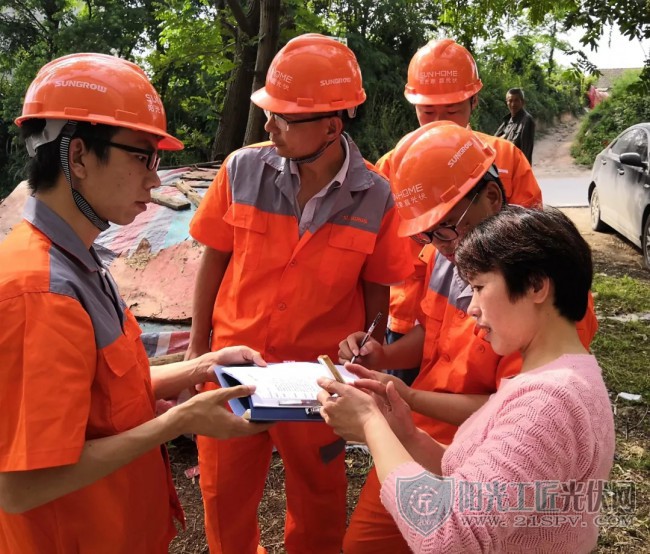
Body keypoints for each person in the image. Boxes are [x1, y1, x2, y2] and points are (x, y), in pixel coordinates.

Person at [0, 53, 271, 554]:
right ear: (77, 157)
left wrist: (202, 365)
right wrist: (179, 421)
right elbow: (21, 487)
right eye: (141, 157)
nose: (154, 179)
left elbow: (103, 394)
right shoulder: (40, 292)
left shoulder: (78, 260)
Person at [186, 34, 412, 554]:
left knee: (319, 501)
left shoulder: (376, 195)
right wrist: (200, 351)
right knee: (223, 495)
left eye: (283, 117)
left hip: (319, 383)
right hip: (235, 369)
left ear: (332, 127)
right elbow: (213, 259)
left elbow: (377, 294)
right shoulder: (242, 169)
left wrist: (367, 348)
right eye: (269, 114)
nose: (269, 127)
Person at [338, 121, 599, 554]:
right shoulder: (450, 256)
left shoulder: (548, 379)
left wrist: (383, 415)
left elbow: (454, 532)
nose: (438, 245)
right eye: (426, 233)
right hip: (422, 436)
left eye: (446, 227)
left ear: (493, 197)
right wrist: (384, 357)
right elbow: (434, 332)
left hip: (471, 446)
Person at [376, 39, 542, 386]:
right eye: (427, 112)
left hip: (479, 323)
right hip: (409, 322)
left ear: (474, 100)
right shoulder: (393, 165)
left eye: (451, 111)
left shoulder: (505, 159)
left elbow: (530, 250)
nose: (438, 122)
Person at [495, 88, 535, 163]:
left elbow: (526, 152)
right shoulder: (508, 120)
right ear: (506, 102)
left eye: (516, 100)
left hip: (516, 168)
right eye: (510, 101)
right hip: (504, 166)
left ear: (522, 102)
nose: (513, 104)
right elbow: (494, 140)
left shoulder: (527, 121)